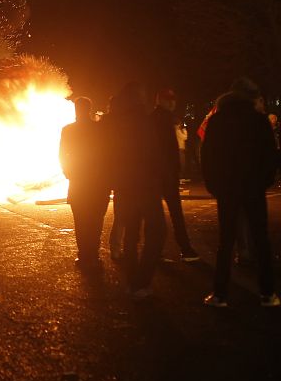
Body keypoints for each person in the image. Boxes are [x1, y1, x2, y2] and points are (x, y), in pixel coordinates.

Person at [200, 77, 280, 307]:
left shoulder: (218, 121)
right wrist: (264, 181)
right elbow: (269, 156)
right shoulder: (259, 121)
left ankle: (220, 293)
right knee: (261, 239)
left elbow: (208, 156)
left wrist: (213, 184)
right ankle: (268, 293)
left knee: (226, 241)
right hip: (253, 186)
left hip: (227, 187)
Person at [106, 83, 166, 299]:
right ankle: (142, 280)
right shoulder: (144, 121)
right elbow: (154, 154)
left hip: (123, 187)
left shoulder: (113, 123)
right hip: (145, 186)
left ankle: (133, 283)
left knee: (131, 235)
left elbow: (106, 156)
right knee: (157, 232)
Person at [59, 97, 110, 269]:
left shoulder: (68, 130)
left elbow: (62, 154)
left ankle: (84, 255)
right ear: (89, 109)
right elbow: (106, 155)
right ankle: (92, 255)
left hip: (79, 181)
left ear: (76, 109)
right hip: (97, 182)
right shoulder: (100, 129)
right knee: (95, 220)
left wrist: (68, 172)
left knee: (81, 221)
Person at [151, 89, 199, 262]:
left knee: (156, 215)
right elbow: (170, 148)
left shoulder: (153, 118)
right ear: (160, 100)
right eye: (168, 100)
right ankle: (185, 249)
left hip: (157, 173)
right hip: (165, 173)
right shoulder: (165, 119)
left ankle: (156, 251)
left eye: (173, 99)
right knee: (174, 213)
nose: (172, 103)